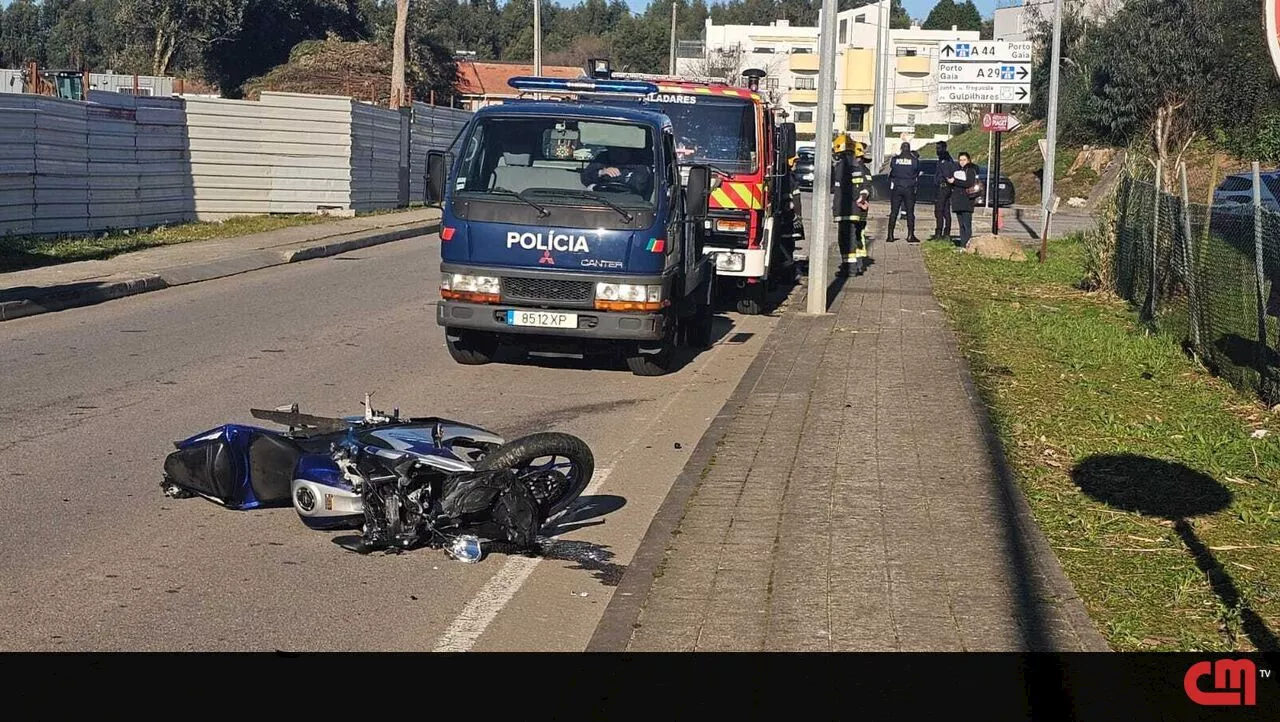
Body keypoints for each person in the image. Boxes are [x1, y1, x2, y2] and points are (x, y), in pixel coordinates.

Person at [832, 134, 872, 277]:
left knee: (846, 239)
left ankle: (850, 268)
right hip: (855, 209)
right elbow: (863, 187)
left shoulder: (843, 166)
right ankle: (856, 265)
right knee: (854, 237)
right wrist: (862, 197)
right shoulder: (856, 165)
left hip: (845, 210)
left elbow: (838, 188)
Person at [581, 143, 655, 198]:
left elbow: (639, 185)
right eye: (613, 148)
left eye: (622, 149)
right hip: (601, 199)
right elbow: (585, 177)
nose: (617, 152)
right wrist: (601, 172)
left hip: (630, 204)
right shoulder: (603, 158)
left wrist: (617, 177)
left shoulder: (639, 164)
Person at [885, 141, 921, 243]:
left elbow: (892, 170)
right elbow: (917, 170)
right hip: (909, 187)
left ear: (901, 148)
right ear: (909, 149)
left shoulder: (895, 159)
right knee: (910, 212)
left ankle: (890, 235)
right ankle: (910, 235)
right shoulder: (914, 160)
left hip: (897, 187)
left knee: (894, 212)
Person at [948, 152, 981, 247]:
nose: (962, 162)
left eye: (964, 160)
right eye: (960, 160)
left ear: (968, 160)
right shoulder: (958, 170)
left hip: (966, 200)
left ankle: (968, 244)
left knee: (967, 224)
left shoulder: (970, 170)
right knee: (961, 225)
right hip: (958, 200)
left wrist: (955, 181)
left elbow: (969, 183)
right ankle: (963, 244)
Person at [932, 141, 959, 241]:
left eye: (938, 148)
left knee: (939, 211)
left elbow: (947, 174)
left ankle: (940, 232)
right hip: (944, 188)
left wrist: (944, 180)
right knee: (945, 211)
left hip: (943, 188)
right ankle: (945, 232)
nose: (937, 151)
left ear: (943, 148)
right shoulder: (943, 159)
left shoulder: (945, 160)